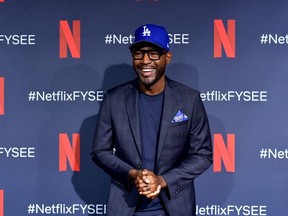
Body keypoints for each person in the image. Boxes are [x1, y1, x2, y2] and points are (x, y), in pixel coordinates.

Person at [91, 24, 213, 216]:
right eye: (139, 53)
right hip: (124, 207)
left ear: (168, 57)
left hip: (175, 207)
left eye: (154, 53)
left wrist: (163, 180)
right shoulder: (113, 99)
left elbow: (203, 155)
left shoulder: (190, 99)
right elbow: (100, 151)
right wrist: (133, 174)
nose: (145, 61)